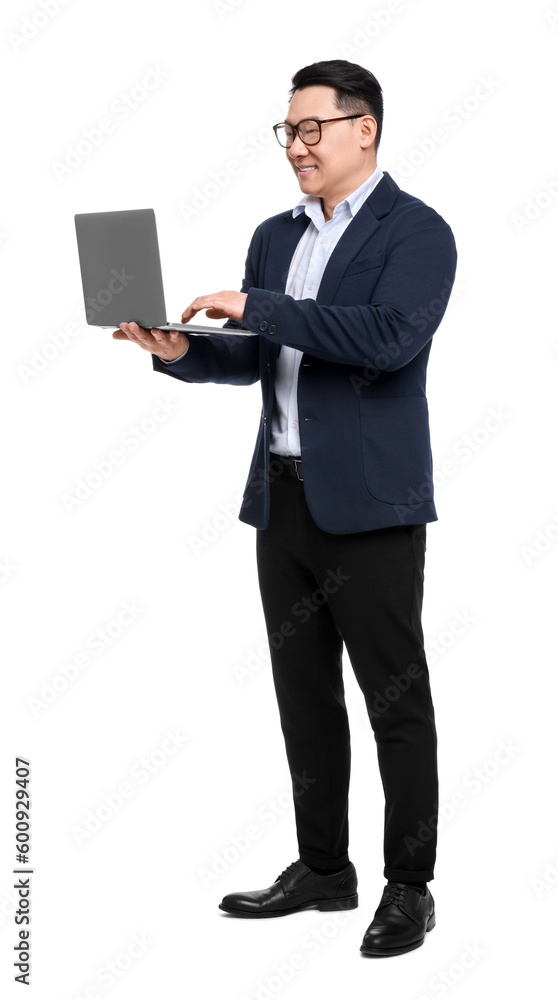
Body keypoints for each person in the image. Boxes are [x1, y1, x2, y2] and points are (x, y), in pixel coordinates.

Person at [114, 59, 457, 958]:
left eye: (312, 130)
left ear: (364, 128)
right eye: (288, 132)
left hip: (375, 509)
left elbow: (387, 341)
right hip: (285, 499)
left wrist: (261, 306)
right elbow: (262, 356)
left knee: (396, 702)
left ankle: (410, 887)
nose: (297, 147)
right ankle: (324, 869)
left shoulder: (417, 232)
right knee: (303, 698)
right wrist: (180, 347)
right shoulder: (275, 235)